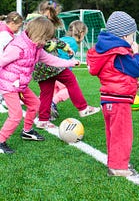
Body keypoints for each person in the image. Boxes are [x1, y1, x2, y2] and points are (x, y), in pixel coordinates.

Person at [0, 16, 80, 154]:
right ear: (39, 34)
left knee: (35, 104)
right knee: (16, 115)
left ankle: (27, 131)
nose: (47, 42)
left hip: (20, 84)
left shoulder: (37, 47)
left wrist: (70, 63)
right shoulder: (17, 47)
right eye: (46, 38)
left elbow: (51, 60)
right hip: (9, 85)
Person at [87, 11, 139, 177]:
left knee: (113, 133)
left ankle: (116, 161)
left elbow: (116, 74)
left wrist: (133, 85)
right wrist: (137, 53)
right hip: (119, 102)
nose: (133, 40)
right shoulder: (120, 52)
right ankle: (118, 167)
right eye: (132, 36)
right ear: (125, 36)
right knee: (122, 134)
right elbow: (137, 68)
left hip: (108, 99)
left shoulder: (106, 51)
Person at [30, 0, 100, 129]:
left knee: (47, 92)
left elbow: (52, 41)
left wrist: (64, 47)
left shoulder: (34, 22)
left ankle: (43, 120)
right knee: (71, 80)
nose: (58, 15)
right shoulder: (45, 23)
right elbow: (49, 42)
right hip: (50, 63)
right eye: (57, 13)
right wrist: (64, 48)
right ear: (51, 12)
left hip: (39, 66)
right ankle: (83, 108)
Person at [51, 20, 88, 120]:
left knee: (54, 89)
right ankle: (53, 102)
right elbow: (63, 56)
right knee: (71, 87)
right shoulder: (73, 43)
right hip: (60, 70)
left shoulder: (63, 39)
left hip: (50, 68)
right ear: (82, 33)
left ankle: (47, 109)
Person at [0, 11, 23, 113]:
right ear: (12, 23)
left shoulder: (8, 32)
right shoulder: (5, 34)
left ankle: (5, 100)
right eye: (18, 26)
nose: (19, 29)